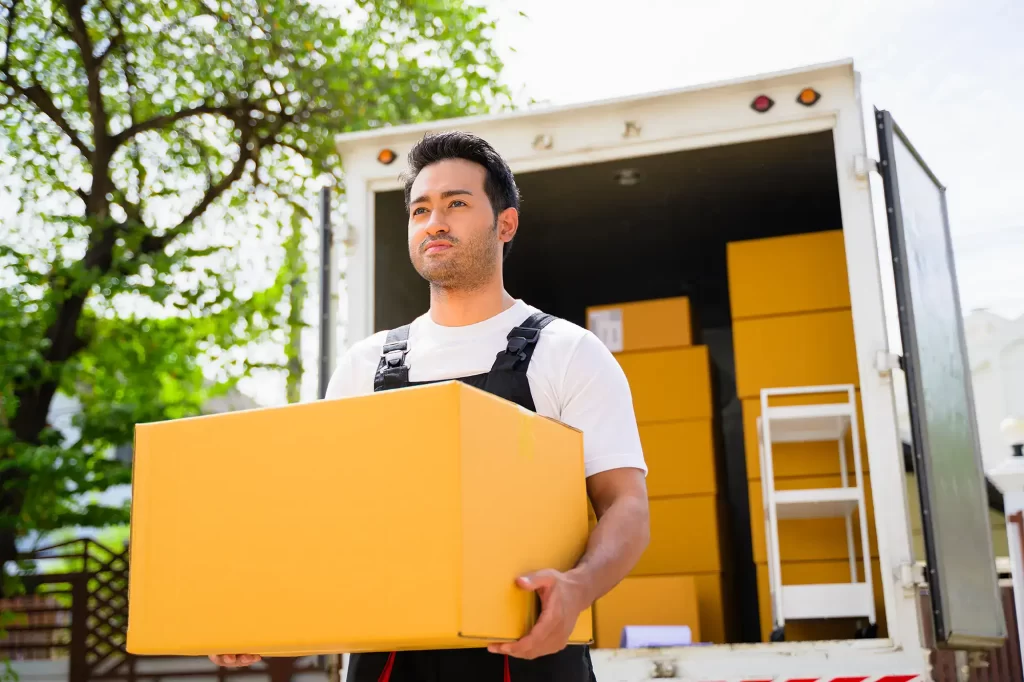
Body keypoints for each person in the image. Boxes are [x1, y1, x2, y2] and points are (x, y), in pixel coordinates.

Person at [210, 131, 650, 681]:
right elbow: (324, 519)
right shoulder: (363, 365)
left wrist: (578, 587)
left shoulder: (569, 353)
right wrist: (259, 612)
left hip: (527, 654)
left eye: (456, 204)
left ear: (505, 223)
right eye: (421, 209)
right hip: (388, 659)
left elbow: (627, 506)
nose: (434, 221)